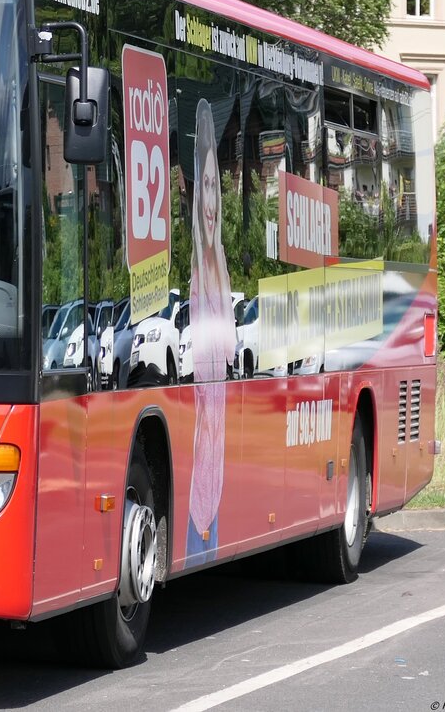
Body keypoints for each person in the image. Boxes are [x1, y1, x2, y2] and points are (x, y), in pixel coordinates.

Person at [187, 98, 232, 566]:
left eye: (217, 186)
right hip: (203, 476)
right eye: (205, 187)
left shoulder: (220, 266)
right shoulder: (196, 275)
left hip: (220, 469)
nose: (213, 201)